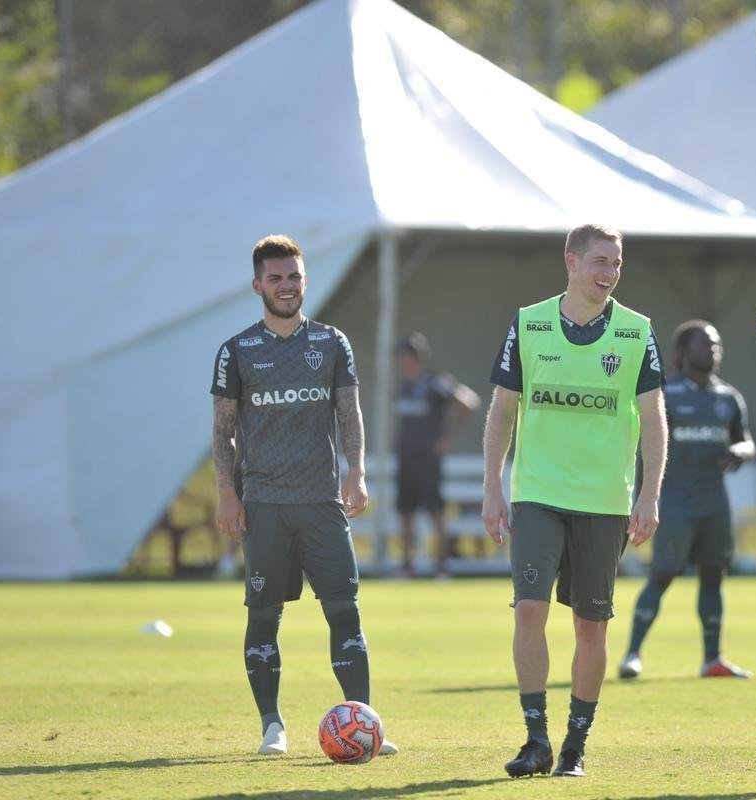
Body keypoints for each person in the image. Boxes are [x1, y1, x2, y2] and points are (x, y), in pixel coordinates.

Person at [482, 223, 667, 779]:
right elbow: (502, 409)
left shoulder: (636, 331)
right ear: (571, 261)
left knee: (591, 625)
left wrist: (650, 493)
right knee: (529, 608)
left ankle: (574, 746)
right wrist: (493, 485)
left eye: (617, 263)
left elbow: (654, 420)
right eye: (600, 261)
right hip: (537, 494)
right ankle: (535, 740)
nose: (610, 272)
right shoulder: (528, 322)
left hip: (605, 501)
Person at [211, 234, 396, 757]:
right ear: (257, 285)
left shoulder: (332, 343)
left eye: (294, 276)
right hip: (265, 504)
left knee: (344, 611)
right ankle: (272, 726)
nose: (286, 286)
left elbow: (349, 412)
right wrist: (226, 491)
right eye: (275, 278)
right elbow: (223, 428)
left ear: (305, 281)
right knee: (264, 615)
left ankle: (364, 722)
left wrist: (357, 471)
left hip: (321, 503)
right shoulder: (236, 351)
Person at [619, 320, 755, 681]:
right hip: (674, 502)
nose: (714, 350)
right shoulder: (666, 393)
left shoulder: (728, 397)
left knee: (713, 577)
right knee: (661, 575)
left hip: (714, 503)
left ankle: (713, 659)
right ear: (683, 351)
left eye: (717, 344)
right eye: (706, 344)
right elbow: (645, 447)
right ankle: (632, 654)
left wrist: (741, 450)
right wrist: (643, 498)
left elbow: (745, 440)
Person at [394, 332, 480, 578]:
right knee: (405, 512)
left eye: (403, 356)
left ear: (414, 357)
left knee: (436, 511)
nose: (400, 361)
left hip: (427, 459)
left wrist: (447, 439)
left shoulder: (435, 382)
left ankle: (442, 566)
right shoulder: (405, 386)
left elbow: (469, 402)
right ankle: (407, 565)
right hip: (406, 457)